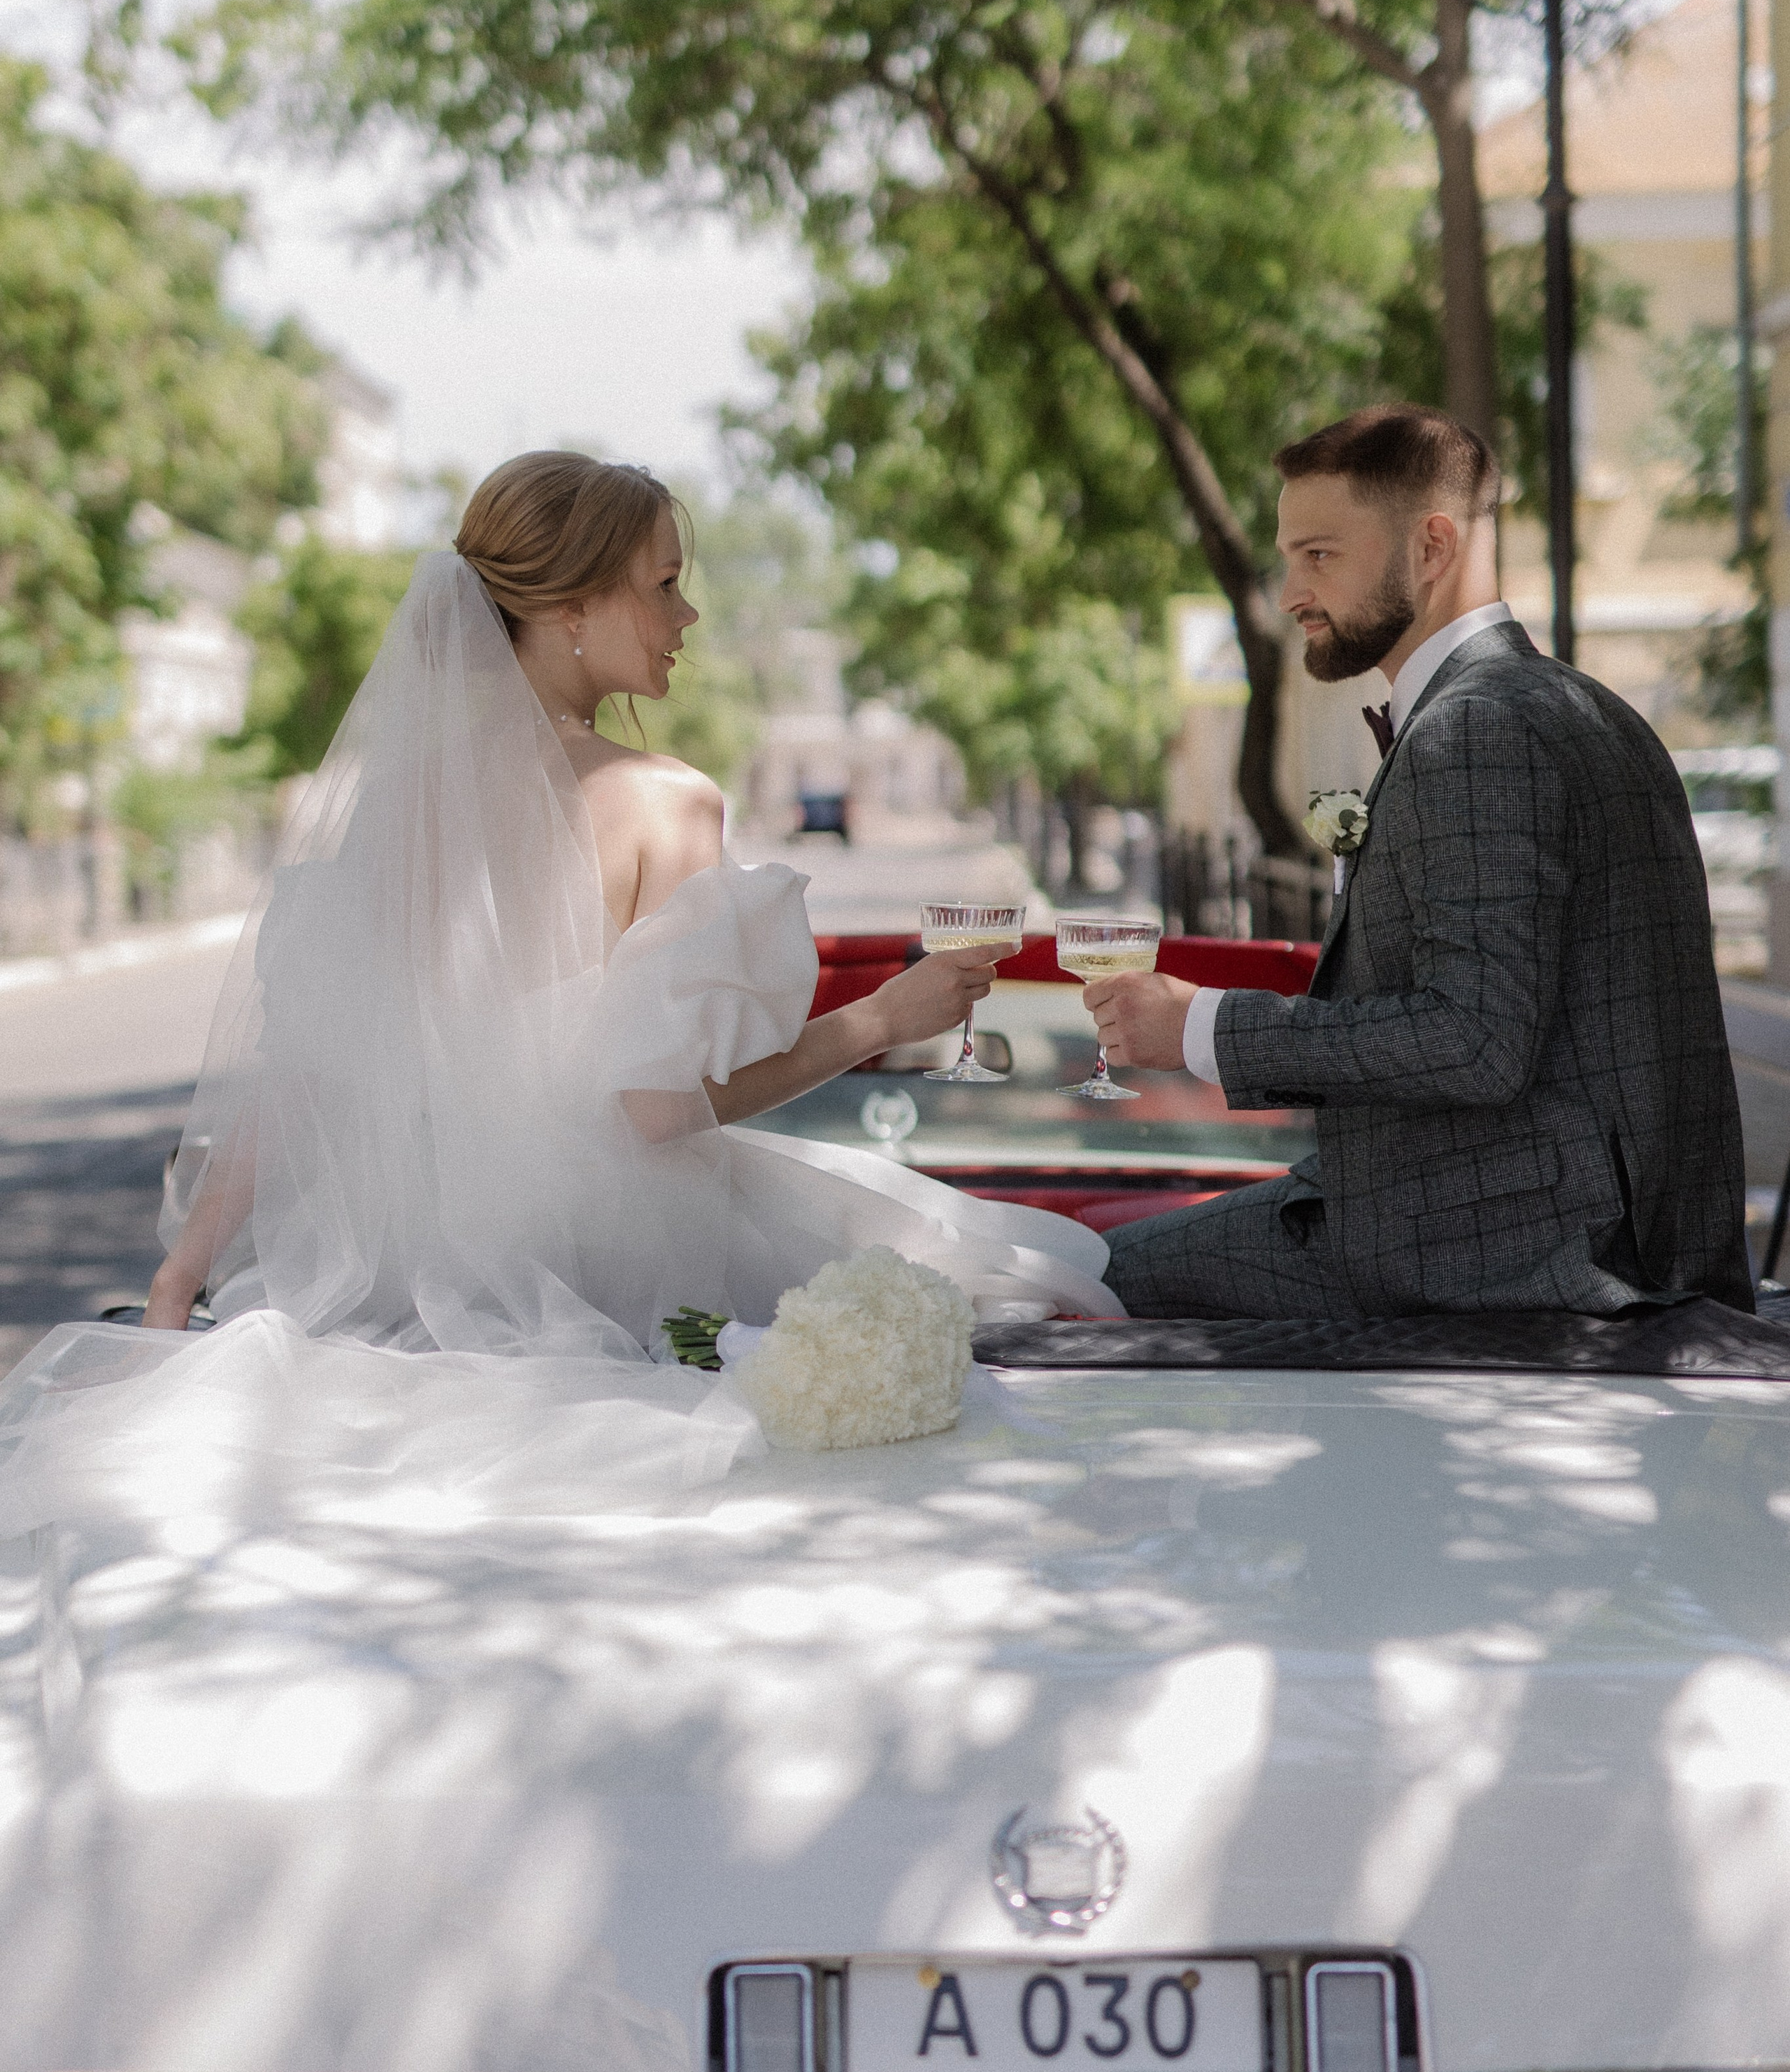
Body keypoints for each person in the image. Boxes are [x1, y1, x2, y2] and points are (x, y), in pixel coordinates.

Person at [1, 452, 1112, 1536]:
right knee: (993, 1274)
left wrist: (178, 1279)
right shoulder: (667, 803)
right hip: (613, 1260)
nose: (688, 618)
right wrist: (881, 1021)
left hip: (412, 1262)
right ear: (575, 604)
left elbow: (298, 1076)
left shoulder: (402, 811)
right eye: (666, 584)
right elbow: (659, 1111)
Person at [1091, 404, 1751, 1324]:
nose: (1290, 593)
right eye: (1288, 557)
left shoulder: (1474, 731)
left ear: (1432, 548)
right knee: (1089, 1252)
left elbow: (1475, 1039)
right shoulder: (1584, 709)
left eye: (1319, 555)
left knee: (1069, 1284)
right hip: (1527, 1227)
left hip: (1511, 1262)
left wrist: (1202, 1029)